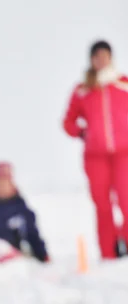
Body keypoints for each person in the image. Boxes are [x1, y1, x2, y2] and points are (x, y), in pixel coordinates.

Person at [63, 40, 128, 259]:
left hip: (124, 153)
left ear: (111, 58)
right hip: (95, 156)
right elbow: (68, 122)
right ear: (91, 60)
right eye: (97, 56)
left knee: (126, 200)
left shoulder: (123, 83)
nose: (101, 60)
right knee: (102, 205)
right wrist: (82, 133)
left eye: (105, 56)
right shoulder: (83, 89)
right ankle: (109, 253)